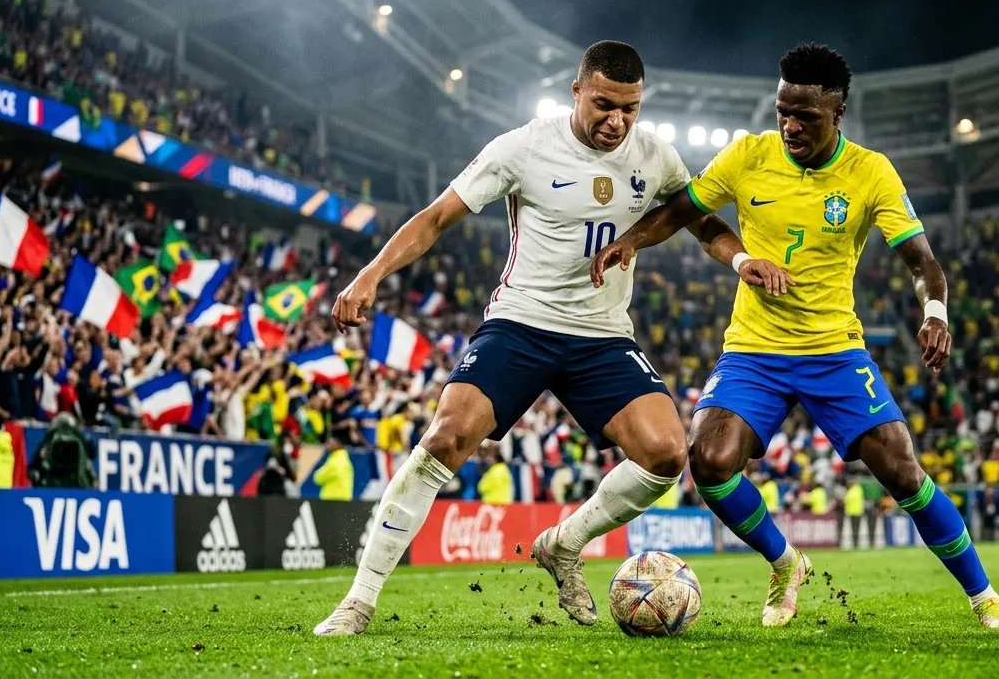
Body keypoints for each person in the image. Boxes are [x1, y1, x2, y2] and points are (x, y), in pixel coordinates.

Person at [315, 40, 784, 636]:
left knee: (668, 454)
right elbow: (435, 218)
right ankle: (358, 602)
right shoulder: (523, 147)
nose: (617, 121)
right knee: (446, 436)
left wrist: (740, 258)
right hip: (522, 322)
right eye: (605, 105)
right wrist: (370, 274)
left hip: (603, 337)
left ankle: (564, 544)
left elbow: (701, 220)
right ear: (577, 92)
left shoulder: (656, 156)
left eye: (631, 109)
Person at [592, 43, 999, 629]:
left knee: (902, 471)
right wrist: (632, 241)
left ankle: (985, 597)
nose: (791, 126)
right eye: (783, 113)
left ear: (837, 113)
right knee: (710, 460)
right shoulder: (748, 155)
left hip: (833, 351)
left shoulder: (870, 172)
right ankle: (784, 563)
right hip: (754, 349)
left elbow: (923, 263)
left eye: (807, 117)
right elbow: (685, 208)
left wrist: (936, 315)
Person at [313, 436, 354, 501]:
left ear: (339, 444)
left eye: (330, 443)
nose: (328, 445)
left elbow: (318, 478)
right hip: (342, 498)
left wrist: (317, 475)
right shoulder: (342, 458)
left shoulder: (337, 461)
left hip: (334, 498)